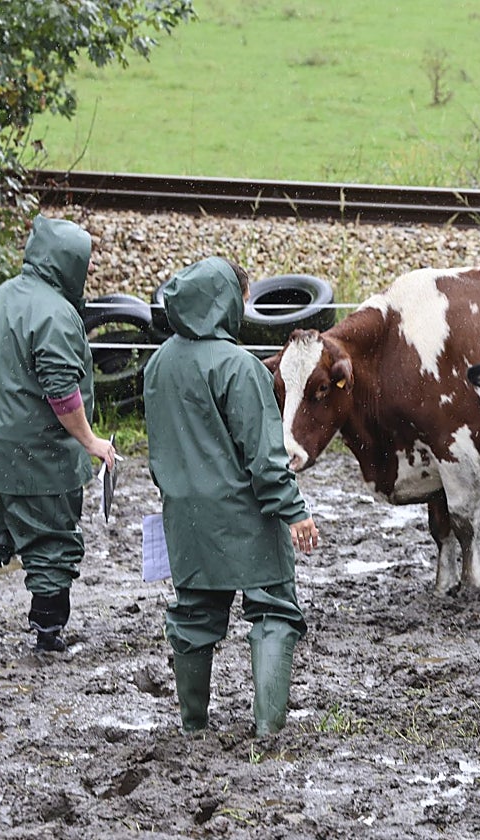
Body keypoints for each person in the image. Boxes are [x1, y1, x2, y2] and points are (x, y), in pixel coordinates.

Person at [143, 256, 319, 737]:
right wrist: (294, 511)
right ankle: (267, 730)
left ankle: (193, 724)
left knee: (194, 616)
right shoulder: (241, 367)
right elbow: (264, 457)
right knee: (274, 610)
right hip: (248, 517)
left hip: (185, 516)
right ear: (224, 303)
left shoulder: (157, 365)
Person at [0, 214, 117, 655]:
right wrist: (90, 441)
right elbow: (61, 392)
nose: (88, 271)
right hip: (39, 456)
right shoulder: (56, 313)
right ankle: (47, 635)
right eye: (85, 262)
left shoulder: (0, 297)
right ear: (67, 262)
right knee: (52, 540)